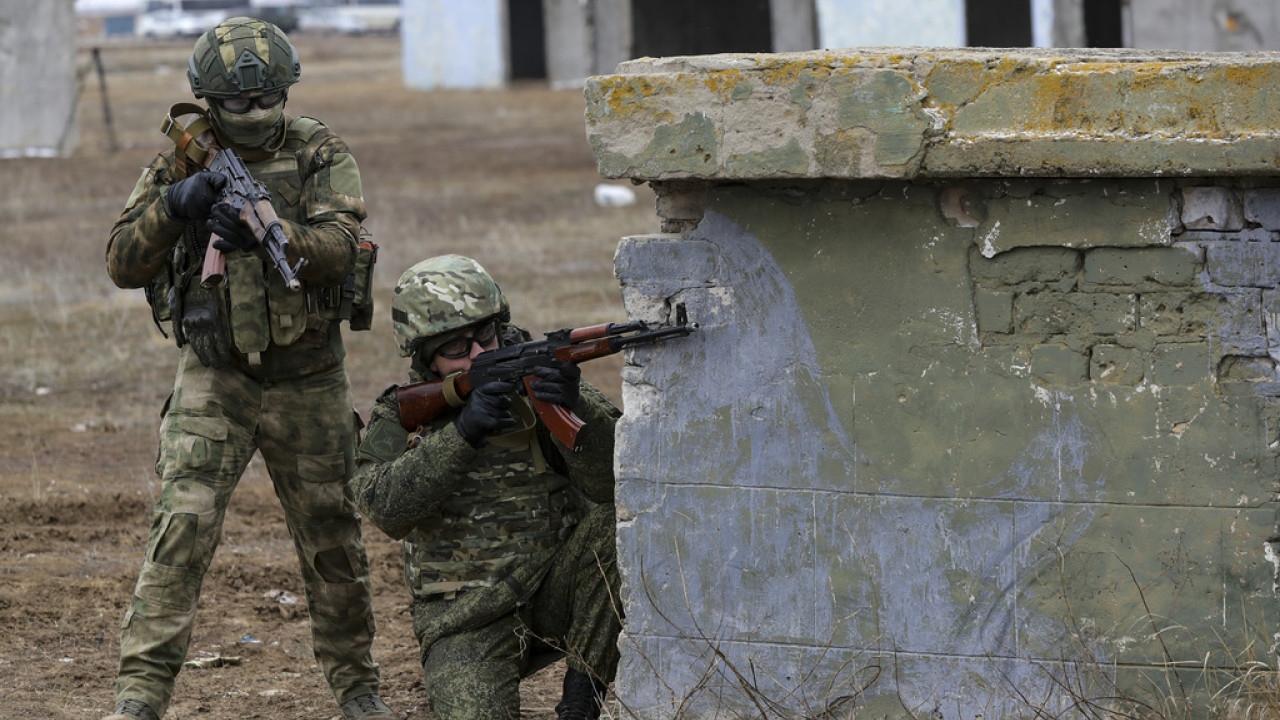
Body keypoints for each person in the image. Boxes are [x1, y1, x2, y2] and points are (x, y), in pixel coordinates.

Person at [102, 17, 392, 720]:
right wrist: (178, 206)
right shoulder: (182, 159)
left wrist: (270, 234)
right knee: (182, 528)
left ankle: (358, 691)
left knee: (333, 541)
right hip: (215, 375)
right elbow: (121, 262)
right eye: (238, 106)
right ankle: (139, 698)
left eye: (268, 102)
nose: (257, 116)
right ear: (208, 102)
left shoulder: (320, 149)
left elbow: (339, 242)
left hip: (309, 375)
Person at [350, 254, 622, 720]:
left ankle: (582, 698)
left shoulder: (532, 379)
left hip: (554, 591)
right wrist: (462, 436)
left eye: (486, 337)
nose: (480, 355)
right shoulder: (402, 415)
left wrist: (578, 404)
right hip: (464, 620)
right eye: (457, 347)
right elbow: (383, 508)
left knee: (622, 525)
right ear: (424, 356)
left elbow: (616, 481)